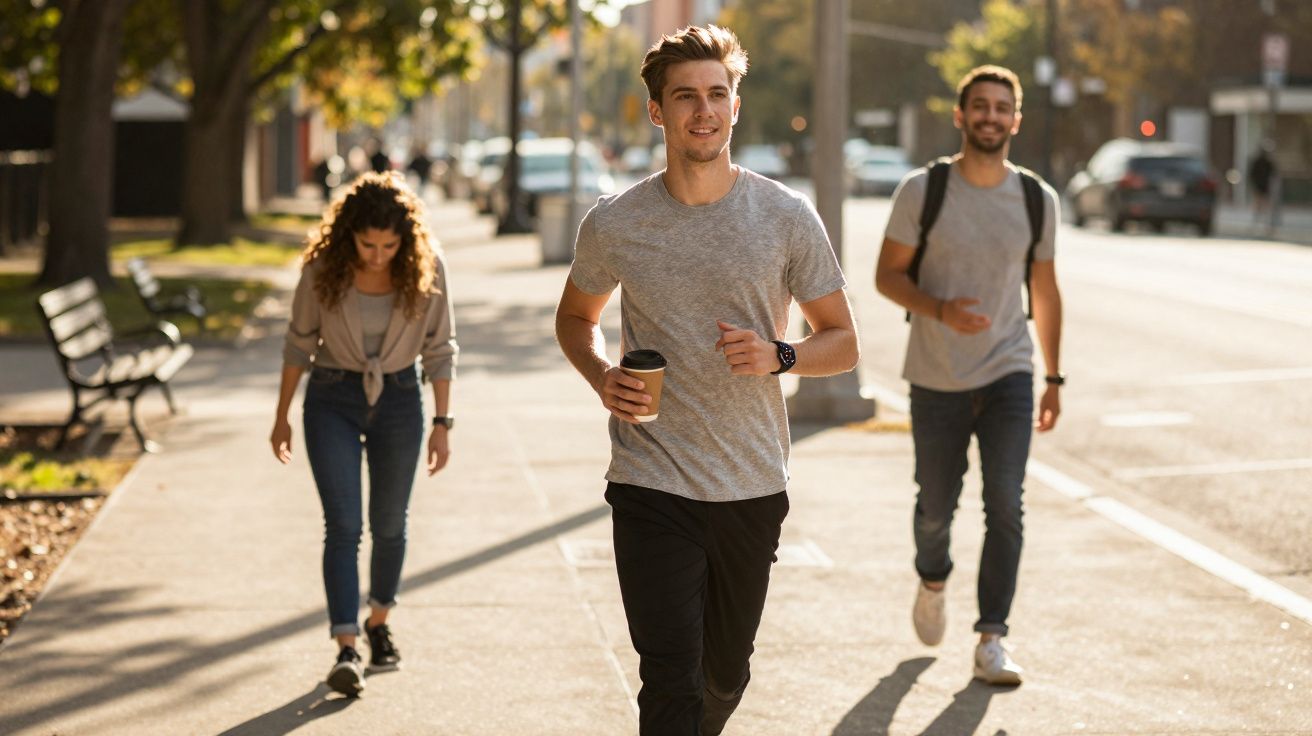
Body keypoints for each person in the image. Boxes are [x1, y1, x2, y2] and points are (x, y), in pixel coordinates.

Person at [555, 25, 859, 734]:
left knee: (723, 676)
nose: (704, 110)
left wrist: (781, 356)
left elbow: (842, 342)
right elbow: (575, 316)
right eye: (686, 96)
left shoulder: (785, 216)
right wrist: (601, 373)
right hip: (649, 480)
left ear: (735, 105)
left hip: (751, 482)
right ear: (658, 111)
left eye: (718, 94)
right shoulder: (616, 222)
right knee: (669, 681)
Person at [874, 65, 1063, 686]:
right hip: (936, 377)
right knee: (935, 508)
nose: (990, 116)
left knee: (1006, 505)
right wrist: (941, 311)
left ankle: (991, 638)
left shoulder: (1037, 199)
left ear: (1016, 119)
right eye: (978, 106)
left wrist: (1054, 378)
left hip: (1009, 370)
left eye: (1001, 107)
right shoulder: (921, 191)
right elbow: (887, 276)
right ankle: (932, 577)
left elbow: (1045, 289)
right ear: (960, 117)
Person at [270, 171, 457, 697]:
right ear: (349, 233)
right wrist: (282, 413)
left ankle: (379, 620)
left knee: (391, 525)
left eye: (389, 245)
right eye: (367, 244)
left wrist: (443, 423)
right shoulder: (322, 268)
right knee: (345, 526)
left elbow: (441, 350)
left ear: (406, 239)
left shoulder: (427, 269)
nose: (377, 255)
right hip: (332, 399)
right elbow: (297, 344)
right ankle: (347, 645)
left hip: (399, 400)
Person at [1248, 143, 1276, 223]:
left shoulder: (1266, 162)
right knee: (1260, 203)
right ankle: (1259, 218)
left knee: (1262, 203)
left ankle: (1262, 219)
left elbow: (1273, 173)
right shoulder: (1262, 162)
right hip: (1261, 185)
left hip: (1263, 185)